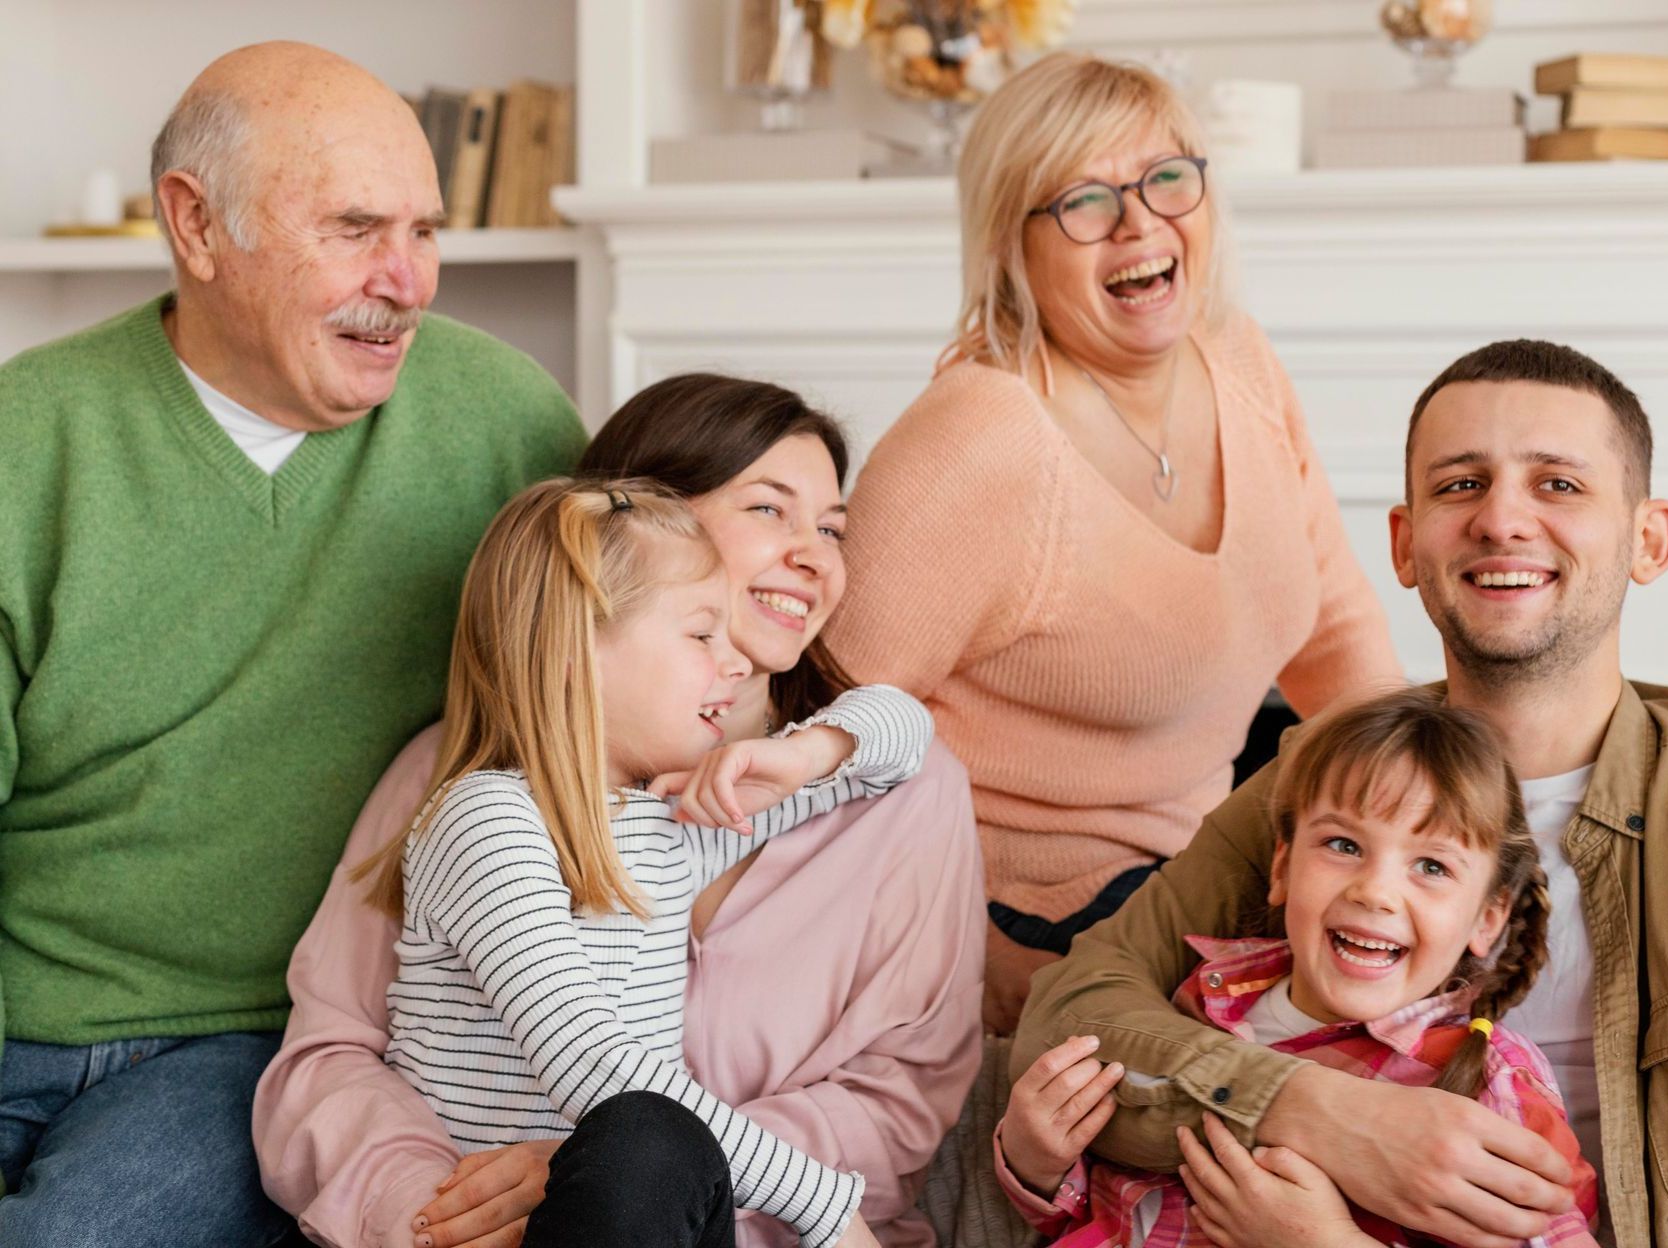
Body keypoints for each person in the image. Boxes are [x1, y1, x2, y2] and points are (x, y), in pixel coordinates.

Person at [1014, 339, 1668, 1247]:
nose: (1502, 522)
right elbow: (1076, 1011)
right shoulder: (1328, 775)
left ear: (1650, 540)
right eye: (1459, 486)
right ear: (1405, 546)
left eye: (1557, 485)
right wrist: (1327, 1116)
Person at [0, 42, 584, 1245]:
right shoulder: (27, 439)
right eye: (357, 227)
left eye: (424, 231)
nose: (407, 279)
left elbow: (639, 718)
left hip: (256, 1041)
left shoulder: (510, 428)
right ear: (196, 226)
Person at [254, 374, 985, 1248]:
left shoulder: (843, 794)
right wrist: (439, 1205)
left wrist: (810, 755)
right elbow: (331, 1059)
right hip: (481, 1230)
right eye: (769, 511)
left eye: (832, 528)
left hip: (730, 1226)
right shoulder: (467, 788)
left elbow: (894, 1107)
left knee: (641, 1147)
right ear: (638, 525)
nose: (816, 557)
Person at [821, 52, 1400, 1034]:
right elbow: (815, 732)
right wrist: (969, 956)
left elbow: (1330, 631)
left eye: (1166, 179)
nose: (1140, 223)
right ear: (1013, 241)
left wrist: (1433, 812)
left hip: (1191, 887)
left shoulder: (1239, 361)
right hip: (1028, 921)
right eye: (1084, 201)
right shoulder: (979, 440)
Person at [997, 687, 1598, 1248]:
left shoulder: (1490, 1085)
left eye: (1432, 867)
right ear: (1282, 866)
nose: (1376, 892)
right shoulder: (1198, 1000)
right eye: (1343, 846)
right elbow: (1113, 1210)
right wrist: (1038, 1166)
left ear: (1486, 919)